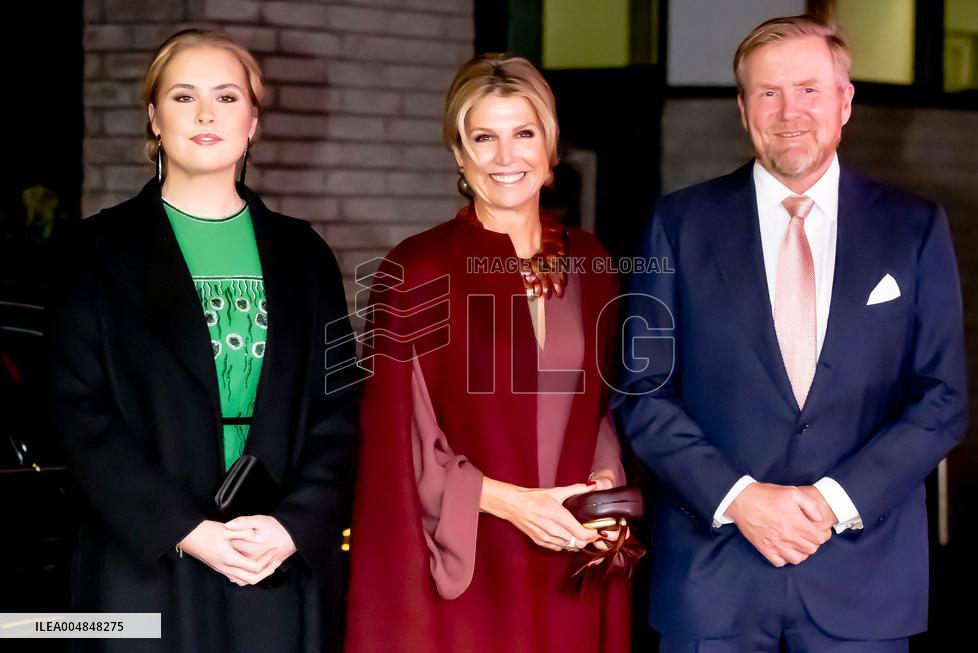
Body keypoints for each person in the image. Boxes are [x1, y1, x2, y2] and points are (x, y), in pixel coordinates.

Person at [613, 14, 967, 653]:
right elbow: (642, 392)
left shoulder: (914, 227)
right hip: (712, 579)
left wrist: (831, 503)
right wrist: (740, 498)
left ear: (844, 101)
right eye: (768, 92)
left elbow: (943, 400)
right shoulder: (677, 224)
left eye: (808, 89)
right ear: (743, 108)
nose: (788, 112)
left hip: (863, 580)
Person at [47, 29, 359, 653]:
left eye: (226, 96)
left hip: (275, 562)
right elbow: (75, 413)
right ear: (154, 117)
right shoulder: (93, 251)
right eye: (184, 96)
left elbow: (340, 410)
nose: (206, 113)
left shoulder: (304, 255)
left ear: (253, 122)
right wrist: (187, 529)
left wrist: (294, 526)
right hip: (144, 562)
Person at [345, 54, 632, 653]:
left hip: (570, 549)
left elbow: (600, 408)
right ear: (459, 153)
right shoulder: (416, 269)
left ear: (550, 146)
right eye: (484, 138)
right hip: (470, 558)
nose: (506, 157)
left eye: (523, 134)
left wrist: (604, 484)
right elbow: (400, 439)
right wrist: (509, 503)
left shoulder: (590, 260)